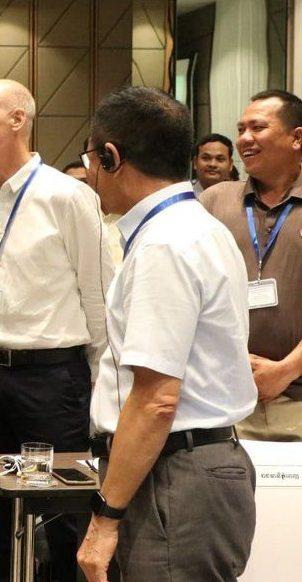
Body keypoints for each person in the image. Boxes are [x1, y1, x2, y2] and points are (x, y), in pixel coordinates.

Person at [77, 86, 257, 581]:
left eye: (90, 159)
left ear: (111, 157)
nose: (90, 174)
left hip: (175, 474)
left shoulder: (165, 243)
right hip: (188, 465)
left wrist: (105, 518)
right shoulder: (197, 227)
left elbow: (157, 398)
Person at [0, 79, 112, 582]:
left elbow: (98, 295)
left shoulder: (67, 196)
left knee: (64, 516)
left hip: (53, 377)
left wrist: (99, 384)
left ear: (17, 119)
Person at [200, 89, 302, 440]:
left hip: (298, 400)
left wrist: (286, 369)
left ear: (296, 137)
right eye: (241, 129)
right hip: (224, 402)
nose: (244, 138)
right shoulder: (215, 201)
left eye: (257, 128)